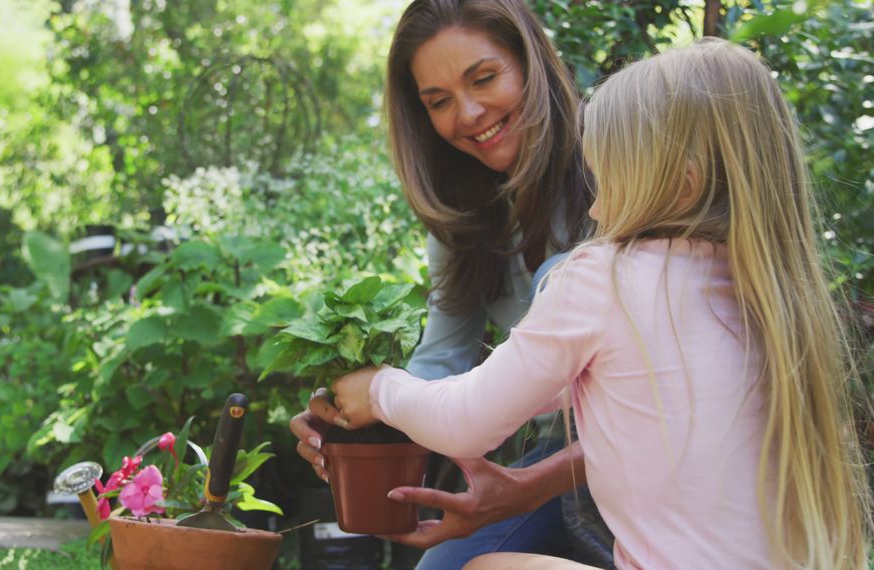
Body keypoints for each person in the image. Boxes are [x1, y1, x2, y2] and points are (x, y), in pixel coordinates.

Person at [331, 38, 873, 569]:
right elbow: (586, 386)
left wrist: (380, 390)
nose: (595, 204)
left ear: (681, 181)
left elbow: (466, 420)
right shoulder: (764, 289)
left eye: (606, 175)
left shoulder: (603, 278)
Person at [290, 0, 600, 567]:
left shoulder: (616, 166)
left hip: (648, 449)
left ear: (531, 63)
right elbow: (443, 361)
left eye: (484, 78)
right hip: (561, 455)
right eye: (438, 102)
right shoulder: (464, 215)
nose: (471, 113)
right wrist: (350, 412)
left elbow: (668, 404)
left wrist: (530, 485)